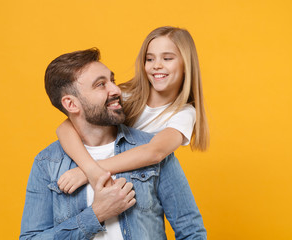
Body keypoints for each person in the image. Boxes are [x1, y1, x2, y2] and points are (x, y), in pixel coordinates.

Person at [20, 48, 206, 239]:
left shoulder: (152, 148)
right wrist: (96, 215)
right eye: (101, 84)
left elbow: (191, 231)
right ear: (71, 104)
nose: (116, 90)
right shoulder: (47, 164)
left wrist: (90, 171)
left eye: (112, 80)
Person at [56, 26, 209, 194]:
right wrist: (89, 169)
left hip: (135, 188)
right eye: (150, 59)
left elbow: (154, 152)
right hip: (93, 180)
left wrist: (89, 172)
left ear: (186, 64)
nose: (156, 65)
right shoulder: (125, 94)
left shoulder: (183, 113)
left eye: (167, 58)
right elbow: (65, 127)